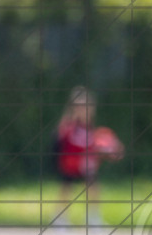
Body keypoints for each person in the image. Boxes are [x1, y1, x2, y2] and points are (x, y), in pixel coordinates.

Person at [52, 86, 124, 227]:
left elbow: (93, 146)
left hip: (86, 165)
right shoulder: (70, 126)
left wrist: (109, 150)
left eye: (87, 107)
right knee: (66, 189)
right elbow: (66, 142)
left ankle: (93, 219)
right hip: (71, 164)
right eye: (81, 107)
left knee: (93, 188)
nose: (85, 110)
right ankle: (60, 219)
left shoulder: (90, 128)